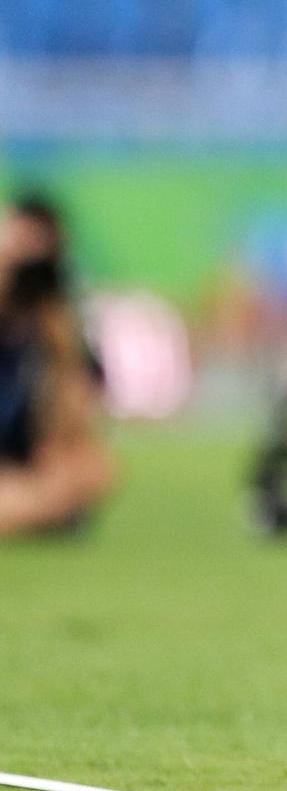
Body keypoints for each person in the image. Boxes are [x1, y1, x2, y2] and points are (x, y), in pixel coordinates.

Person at [0, 192, 113, 537]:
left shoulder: (56, 333)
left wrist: (61, 344)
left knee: (88, 473)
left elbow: (75, 446)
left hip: (25, 473)